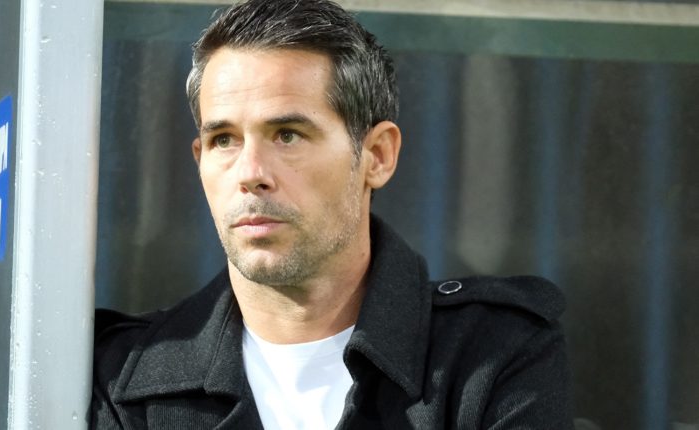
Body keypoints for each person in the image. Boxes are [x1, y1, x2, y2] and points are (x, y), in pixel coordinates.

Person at [91, 0, 572, 428]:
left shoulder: (492, 354)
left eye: (287, 135)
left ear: (377, 155)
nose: (251, 173)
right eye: (224, 140)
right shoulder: (121, 378)